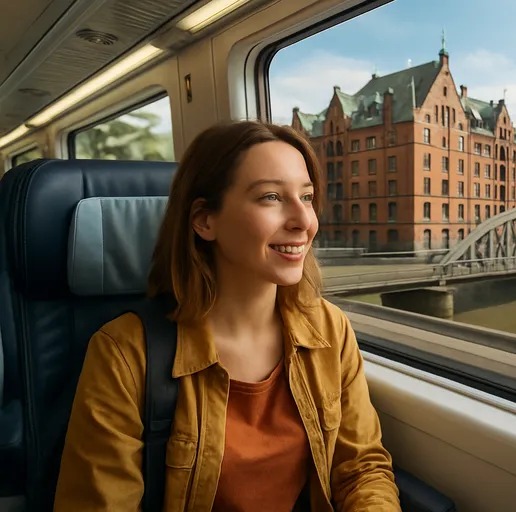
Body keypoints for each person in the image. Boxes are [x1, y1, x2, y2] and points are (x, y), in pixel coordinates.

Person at [53, 121, 401, 511]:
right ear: (205, 220)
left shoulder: (329, 329)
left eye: (306, 196)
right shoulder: (124, 353)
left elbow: (360, 470)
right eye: (271, 197)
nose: (304, 221)